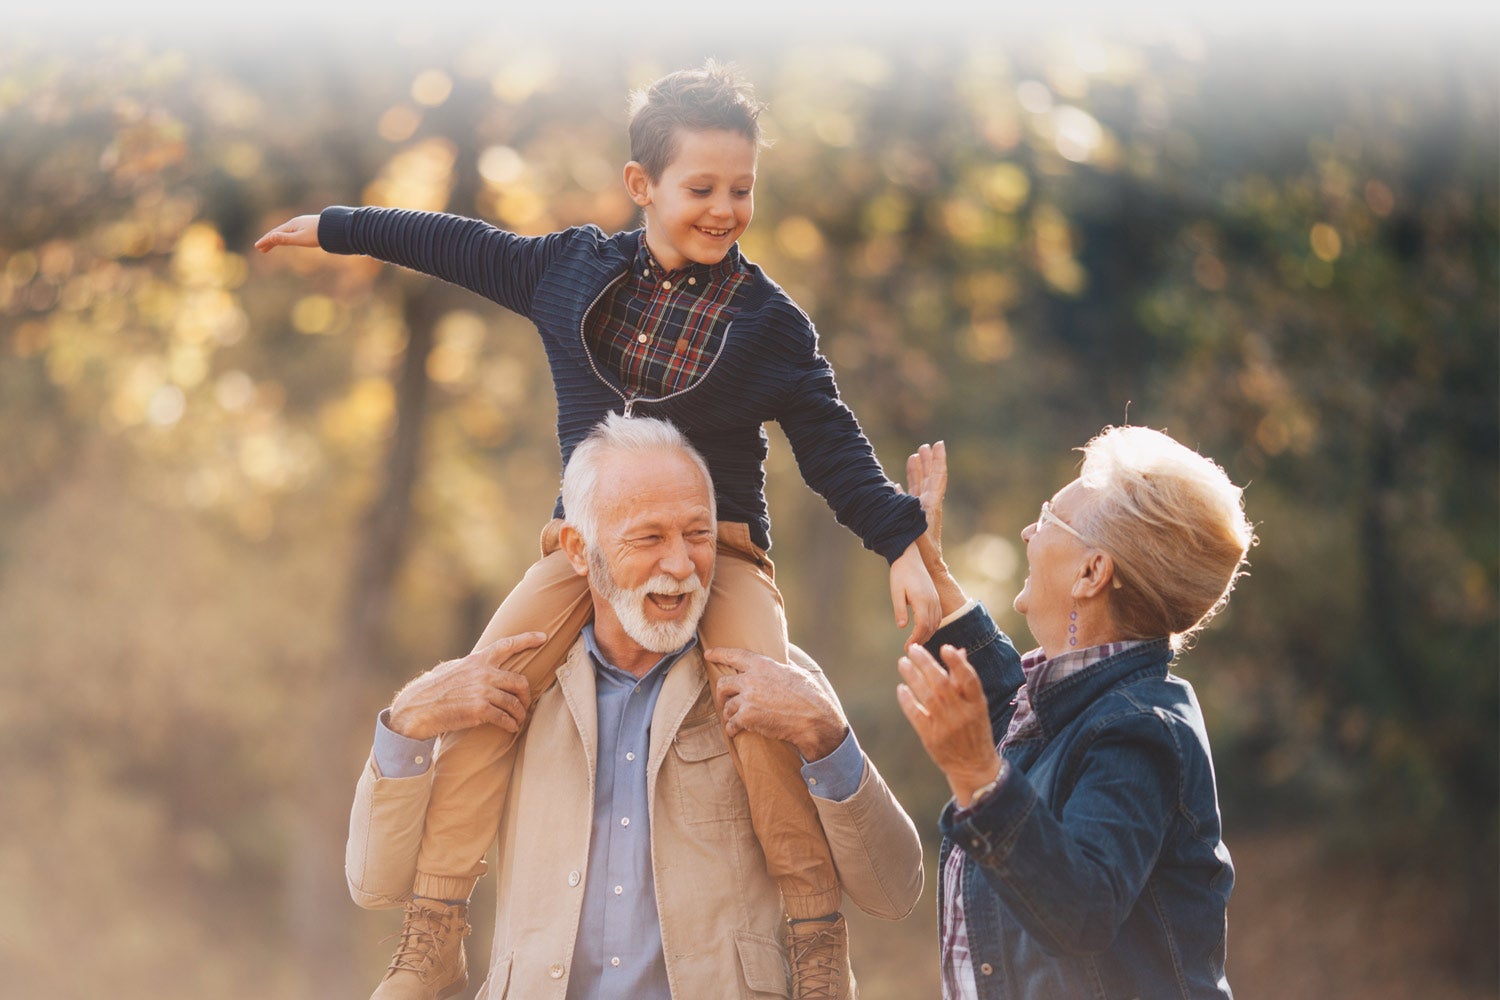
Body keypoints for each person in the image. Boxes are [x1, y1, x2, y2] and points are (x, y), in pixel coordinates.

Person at [256, 60, 935, 1000]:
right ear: (641, 185)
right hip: (585, 546)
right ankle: (433, 927)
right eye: (702, 188)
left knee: (759, 714)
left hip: (721, 553)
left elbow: (832, 444)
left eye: (742, 189)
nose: (726, 209)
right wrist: (337, 228)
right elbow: (453, 242)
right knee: (487, 692)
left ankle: (816, 937)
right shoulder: (568, 270)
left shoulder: (770, 326)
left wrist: (899, 537)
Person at [347, 414, 923, 1000]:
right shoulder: (516, 686)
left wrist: (829, 736)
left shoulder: (774, 678)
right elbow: (373, 880)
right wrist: (408, 722)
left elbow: (894, 890)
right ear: (578, 549)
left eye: (697, 535)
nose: (680, 564)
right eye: (649, 538)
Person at [894, 430, 1253, 999]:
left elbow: (1080, 911)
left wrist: (978, 777)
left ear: (1092, 573)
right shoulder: (1070, 708)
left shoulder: (1141, 731)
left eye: (1047, 517)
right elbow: (1004, 699)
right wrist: (932, 569)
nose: (1028, 531)